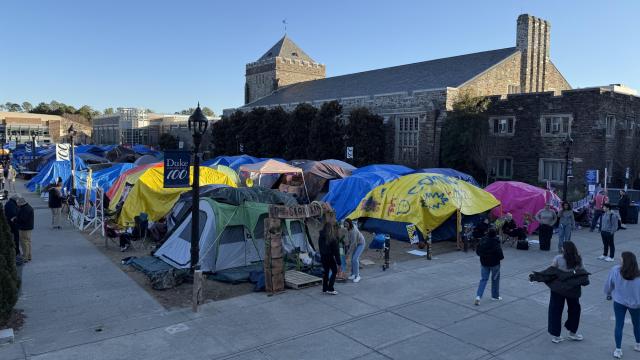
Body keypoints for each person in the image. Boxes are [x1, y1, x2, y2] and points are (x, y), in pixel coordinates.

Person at [530, 241, 589, 343]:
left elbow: (549, 272)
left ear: (564, 249)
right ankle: (572, 333)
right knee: (575, 310)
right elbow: (582, 272)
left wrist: (536, 277)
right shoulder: (578, 259)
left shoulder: (558, 258)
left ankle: (556, 336)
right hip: (573, 289)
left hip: (558, 289)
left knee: (555, 310)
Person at [604, 251, 640, 359]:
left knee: (619, 325)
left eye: (621, 259)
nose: (619, 260)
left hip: (619, 302)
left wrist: (608, 293)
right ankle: (638, 344)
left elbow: (608, 284)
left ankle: (618, 350)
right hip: (636, 305)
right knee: (637, 325)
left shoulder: (615, 270)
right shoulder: (638, 275)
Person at [474, 227, 504, 306]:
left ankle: (478, 296)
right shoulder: (496, 242)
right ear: (495, 234)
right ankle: (495, 296)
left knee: (483, 279)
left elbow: (477, 251)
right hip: (495, 264)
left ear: (487, 233)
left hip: (484, 263)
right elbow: (501, 256)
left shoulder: (483, 240)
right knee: (495, 280)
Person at [319, 211, 341, 295]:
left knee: (326, 272)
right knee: (334, 271)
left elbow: (320, 248)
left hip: (323, 257)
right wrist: (339, 263)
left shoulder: (321, 236)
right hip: (329, 257)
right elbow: (336, 252)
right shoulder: (332, 239)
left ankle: (324, 288)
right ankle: (330, 288)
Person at [345, 219, 365, 283]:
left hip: (361, 244)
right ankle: (353, 274)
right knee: (352, 259)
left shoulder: (353, 231)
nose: (345, 225)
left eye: (346, 224)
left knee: (355, 259)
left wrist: (348, 253)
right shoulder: (349, 228)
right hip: (356, 244)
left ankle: (357, 276)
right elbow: (349, 239)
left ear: (350, 224)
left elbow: (353, 243)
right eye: (345, 224)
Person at [15, 196, 34, 262]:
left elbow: (22, 219)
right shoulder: (28, 207)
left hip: (24, 228)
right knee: (28, 242)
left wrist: (15, 219)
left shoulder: (24, 209)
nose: (18, 205)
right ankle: (29, 256)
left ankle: (25, 257)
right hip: (28, 227)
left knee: (24, 243)